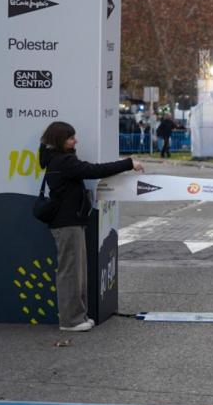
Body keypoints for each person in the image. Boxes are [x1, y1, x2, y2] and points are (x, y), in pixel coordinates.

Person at [38, 121, 143, 332]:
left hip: (71, 222)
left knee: (77, 270)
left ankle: (79, 315)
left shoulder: (60, 159)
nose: (75, 140)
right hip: (66, 223)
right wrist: (128, 163)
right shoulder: (63, 161)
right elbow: (95, 170)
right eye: (70, 138)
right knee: (70, 272)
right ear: (59, 140)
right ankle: (71, 321)